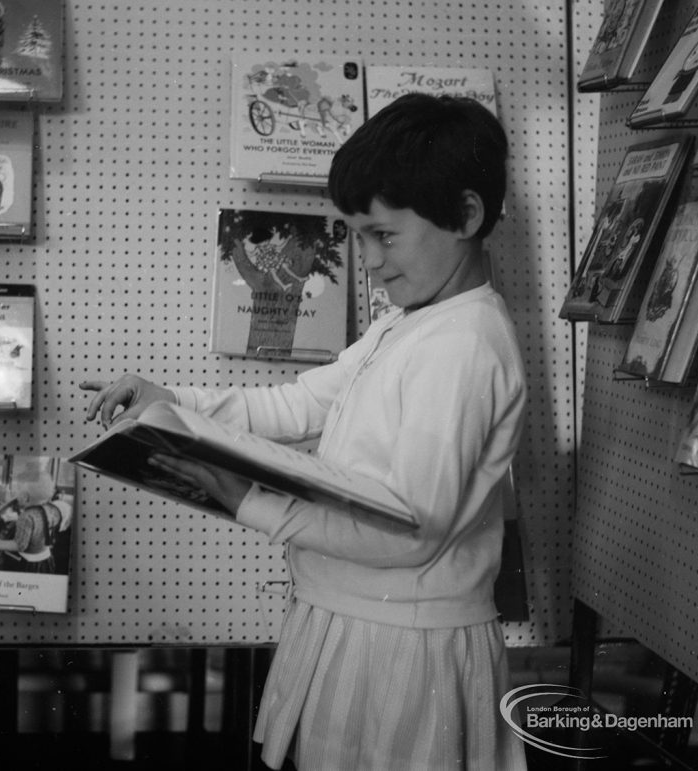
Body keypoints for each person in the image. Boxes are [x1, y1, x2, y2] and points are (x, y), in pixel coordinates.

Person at [81, 93, 528, 770]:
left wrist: (241, 498)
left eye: (384, 234)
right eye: (357, 235)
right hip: (356, 625)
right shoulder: (410, 322)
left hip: (407, 651)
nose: (370, 261)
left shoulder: (466, 344)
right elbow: (303, 404)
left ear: (465, 215)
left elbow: (412, 530)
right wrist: (178, 403)